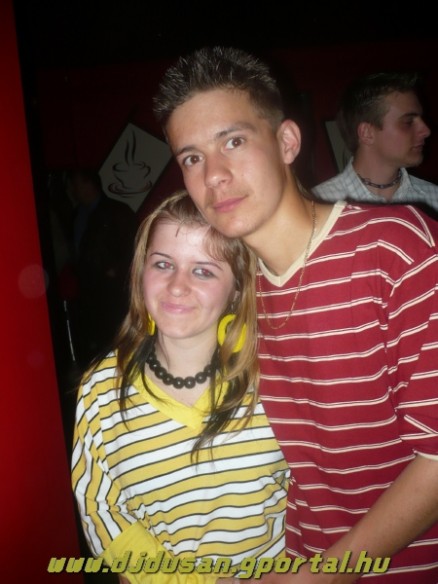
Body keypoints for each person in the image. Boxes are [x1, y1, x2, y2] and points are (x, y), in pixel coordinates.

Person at [152, 47, 438, 582]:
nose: (214, 176)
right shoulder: (237, 296)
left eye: (233, 141)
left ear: (286, 141)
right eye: (191, 158)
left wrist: (325, 575)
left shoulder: (395, 248)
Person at [71, 190, 290, 583]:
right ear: (141, 272)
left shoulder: (274, 375)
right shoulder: (100, 391)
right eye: (163, 264)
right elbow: (103, 512)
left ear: (237, 289)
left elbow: (317, 488)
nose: (176, 286)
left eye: (203, 271)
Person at [312, 72, 438, 219]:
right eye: (408, 122)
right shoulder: (317, 205)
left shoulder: (434, 199)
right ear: (367, 133)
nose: (426, 130)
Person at [67, 168, 139, 369]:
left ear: (89, 184)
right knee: (96, 341)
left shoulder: (117, 211)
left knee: (117, 338)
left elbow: (135, 246)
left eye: (76, 184)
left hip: (114, 291)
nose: (72, 190)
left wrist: (116, 270)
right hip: (88, 290)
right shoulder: (76, 214)